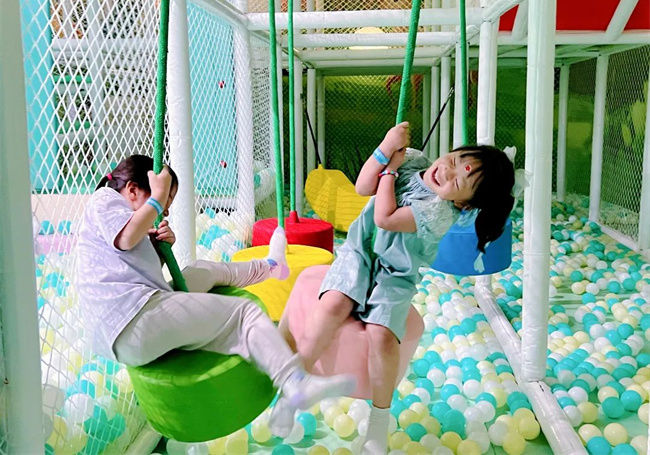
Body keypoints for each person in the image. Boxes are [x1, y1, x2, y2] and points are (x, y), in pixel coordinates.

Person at [74, 155, 355, 437]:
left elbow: (136, 269)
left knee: (201, 271)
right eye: (164, 201)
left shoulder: (124, 220)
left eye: (167, 204)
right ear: (133, 190)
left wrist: (157, 248)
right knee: (244, 314)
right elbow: (125, 240)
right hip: (131, 320)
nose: (165, 211)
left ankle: (271, 266)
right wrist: (156, 200)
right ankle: (295, 382)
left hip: (129, 319)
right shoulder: (105, 200)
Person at [291, 122, 516, 454]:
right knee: (334, 304)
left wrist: (390, 171)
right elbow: (362, 187)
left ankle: (379, 419)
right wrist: (385, 148)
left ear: (464, 204)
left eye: (457, 182)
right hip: (360, 251)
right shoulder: (412, 158)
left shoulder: (440, 213)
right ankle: (296, 378)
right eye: (455, 160)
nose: (446, 172)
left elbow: (385, 217)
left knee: (381, 336)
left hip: (396, 274)